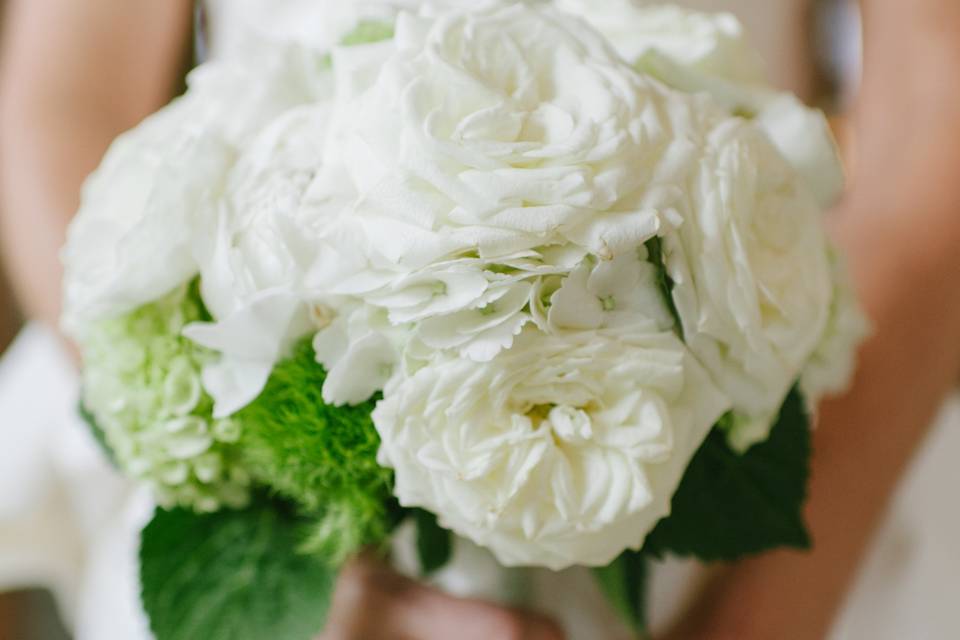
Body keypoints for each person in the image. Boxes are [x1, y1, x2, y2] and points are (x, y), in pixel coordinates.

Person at [2, 1, 960, 639]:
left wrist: (754, 621)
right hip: (284, 436)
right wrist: (298, 536)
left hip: (769, 470)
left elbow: (937, 88)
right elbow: (66, 91)